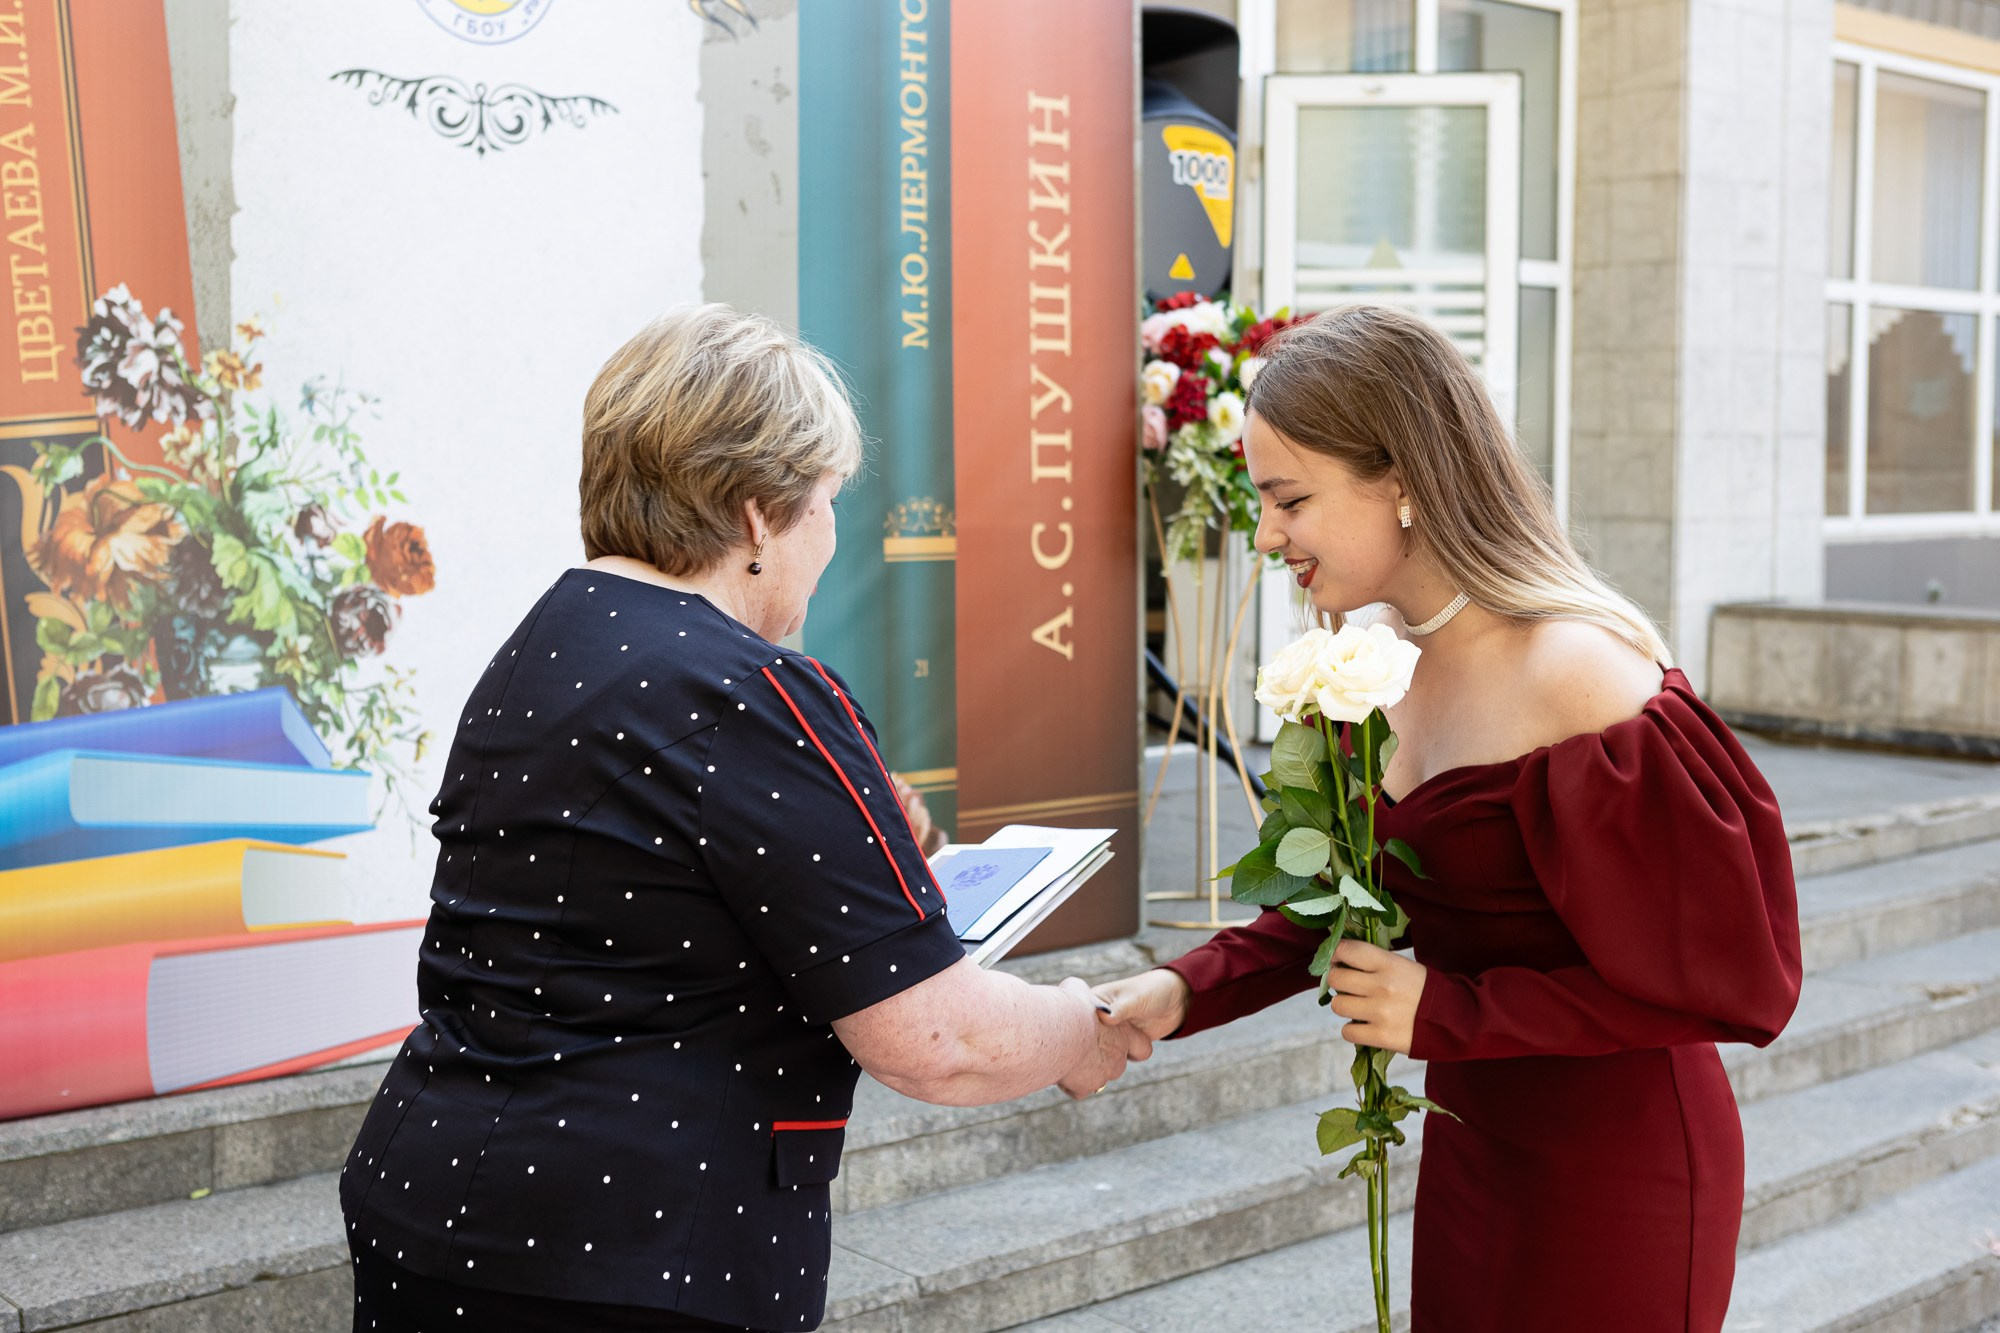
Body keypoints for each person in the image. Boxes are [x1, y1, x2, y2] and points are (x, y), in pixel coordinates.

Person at [340, 304, 1142, 1332]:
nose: (833, 532)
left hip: (434, 1201)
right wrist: (1078, 1021)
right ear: (759, 511)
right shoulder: (747, 690)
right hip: (627, 1246)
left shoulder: (536, 651)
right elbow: (939, 1038)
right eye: (826, 499)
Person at [1094, 305, 1802, 1331]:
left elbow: (1739, 983)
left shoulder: (1580, 674)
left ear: (1403, 481)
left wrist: (1452, 1013)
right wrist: (1174, 990)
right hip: (1473, 1142)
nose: (1262, 535)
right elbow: (1336, 902)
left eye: (1288, 499)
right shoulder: (1367, 663)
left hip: (1619, 1169)